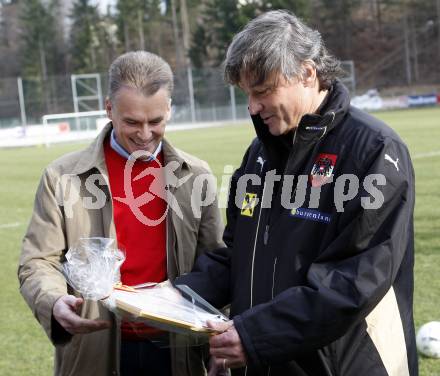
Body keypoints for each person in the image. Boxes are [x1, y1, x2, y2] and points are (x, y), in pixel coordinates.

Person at [176, 10, 418, 376]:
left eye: (261, 92)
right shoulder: (258, 156)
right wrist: (174, 297)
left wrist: (256, 334)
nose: (252, 107)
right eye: (246, 94)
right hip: (264, 362)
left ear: (307, 73)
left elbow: (354, 280)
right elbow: (238, 256)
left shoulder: (373, 151)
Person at [18, 51, 224, 376]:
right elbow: (37, 261)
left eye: (155, 121)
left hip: (179, 353)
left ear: (169, 109)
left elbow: (216, 262)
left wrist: (221, 334)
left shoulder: (195, 175)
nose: (144, 134)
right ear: (109, 109)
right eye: (131, 122)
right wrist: (54, 301)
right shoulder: (62, 177)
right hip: (95, 350)